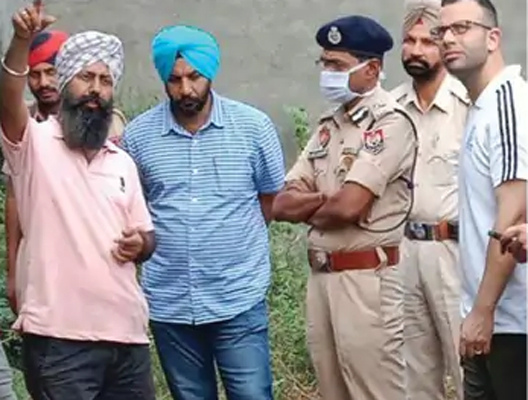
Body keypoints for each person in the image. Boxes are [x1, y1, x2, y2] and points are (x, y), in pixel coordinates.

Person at [0, 3, 156, 399]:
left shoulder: (121, 162)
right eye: (86, 77)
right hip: (59, 342)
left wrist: (141, 244)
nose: (96, 89)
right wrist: (21, 41)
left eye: (105, 80)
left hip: (127, 339)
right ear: (67, 82)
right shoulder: (32, 144)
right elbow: (9, 97)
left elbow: (147, 236)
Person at [121, 25, 285, 400]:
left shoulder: (253, 127)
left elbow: (270, 199)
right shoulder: (139, 136)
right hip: (170, 304)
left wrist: (229, 244)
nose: (186, 89)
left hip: (237, 297)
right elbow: (136, 207)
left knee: (252, 394)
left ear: (210, 73)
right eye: (174, 79)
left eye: (194, 77)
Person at [272, 15, 417, 400]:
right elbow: (281, 204)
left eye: (337, 65)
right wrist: (326, 200)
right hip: (322, 279)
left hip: (367, 281)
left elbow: (347, 208)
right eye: (324, 63)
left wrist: (317, 203)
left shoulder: (390, 123)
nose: (327, 73)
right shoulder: (328, 126)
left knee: (374, 390)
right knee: (332, 389)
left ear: (371, 69)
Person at [434, 0, 527, 398]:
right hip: (487, 317)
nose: (447, 39)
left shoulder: (508, 105)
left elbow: (512, 217)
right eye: (442, 31)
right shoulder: (481, 107)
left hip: (513, 324)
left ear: (493, 38)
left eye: (461, 28)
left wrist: (483, 311)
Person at [3, 29, 129, 315]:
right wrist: (12, 270)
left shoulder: (104, 122)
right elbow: (14, 197)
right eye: (35, 75)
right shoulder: (25, 127)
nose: (44, 83)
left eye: (51, 72)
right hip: (44, 269)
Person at [391, 0, 469, 398]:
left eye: (428, 41)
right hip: (403, 253)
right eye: (409, 40)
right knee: (413, 375)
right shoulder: (390, 110)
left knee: (470, 366)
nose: (416, 50)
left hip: (456, 254)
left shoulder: (471, 105)